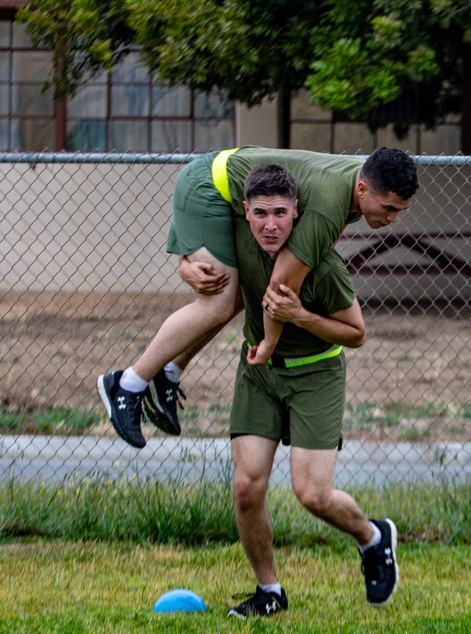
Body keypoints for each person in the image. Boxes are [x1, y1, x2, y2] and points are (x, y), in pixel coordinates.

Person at [97, 146, 419, 449]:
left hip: (227, 184)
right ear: (362, 190)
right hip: (210, 185)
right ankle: (127, 384)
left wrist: (187, 259)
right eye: (389, 208)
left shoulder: (357, 181)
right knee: (219, 302)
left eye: (400, 211)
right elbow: (281, 285)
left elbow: (311, 258)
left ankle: (168, 373)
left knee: (237, 296)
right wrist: (268, 344)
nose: (393, 219)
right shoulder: (328, 205)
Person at [224, 163, 398, 618]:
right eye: (260, 213)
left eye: (281, 213)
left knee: (312, 494)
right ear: (245, 213)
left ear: (297, 212)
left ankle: (373, 537)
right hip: (258, 370)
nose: (270, 224)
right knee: (246, 486)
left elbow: (356, 334)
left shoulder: (322, 264)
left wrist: (299, 316)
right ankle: (270, 592)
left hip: (316, 375)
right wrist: (188, 264)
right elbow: (198, 250)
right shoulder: (239, 239)